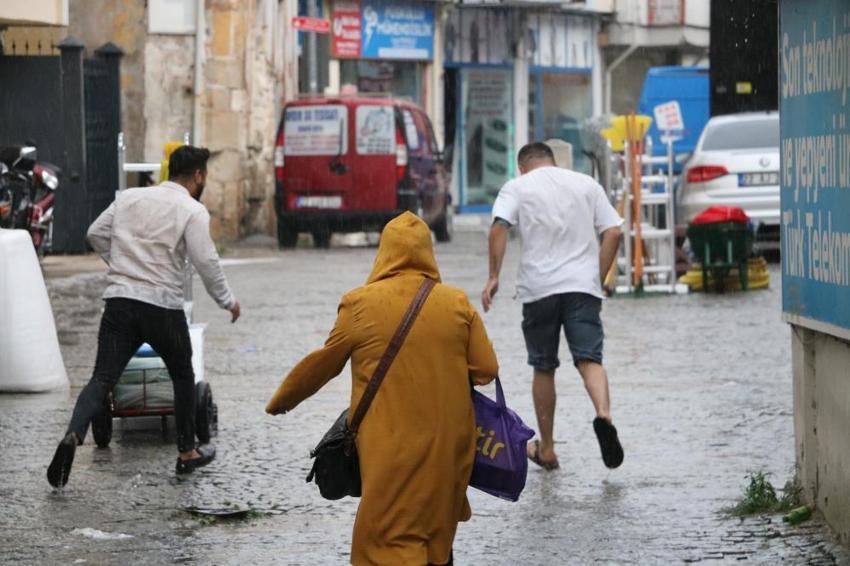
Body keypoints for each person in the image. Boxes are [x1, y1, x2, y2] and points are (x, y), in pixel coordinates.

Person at [266, 212, 498, 566]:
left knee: (385, 539)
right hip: (447, 446)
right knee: (434, 533)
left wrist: (281, 401)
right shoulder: (457, 303)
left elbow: (323, 365)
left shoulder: (360, 304)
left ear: (385, 253)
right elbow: (486, 370)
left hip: (391, 447)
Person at [47, 146, 241, 488]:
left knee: (102, 379)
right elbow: (206, 262)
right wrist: (228, 301)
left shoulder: (129, 198)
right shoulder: (191, 210)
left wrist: (119, 264)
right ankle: (186, 453)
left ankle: (73, 433)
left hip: (120, 302)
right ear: (198, 176)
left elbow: (94, 233)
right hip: (162, 305)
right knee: (183, 372)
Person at [481, 142, 624, 471]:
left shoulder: (516, 187)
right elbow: (613, 231)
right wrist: (596, 277)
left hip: (539, 288)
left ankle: (546, 449)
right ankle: (604, 415)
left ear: (522, 167)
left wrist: (493, 277)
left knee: (543, 366)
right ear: (553, 161)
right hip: (582, 288)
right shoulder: (586, 184)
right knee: (590, 359)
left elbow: (499, 228)